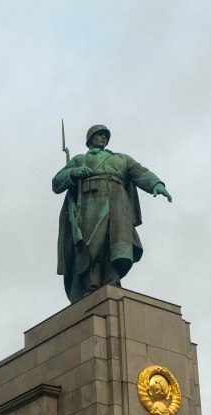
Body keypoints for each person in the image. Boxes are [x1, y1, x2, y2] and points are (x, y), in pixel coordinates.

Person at [53, 124, 172, 303]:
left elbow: (141, 172)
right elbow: (56, 182)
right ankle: (91, 285)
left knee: (115, 244)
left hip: (118, 203)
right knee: (93, 245)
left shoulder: (121, 159)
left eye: (105, 135)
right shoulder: (79, 159)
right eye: (99, 134)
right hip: (91, 201)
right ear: (90, 139)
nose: (103, 137)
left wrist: (156, 184)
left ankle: (113, 281)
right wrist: (73, 173)